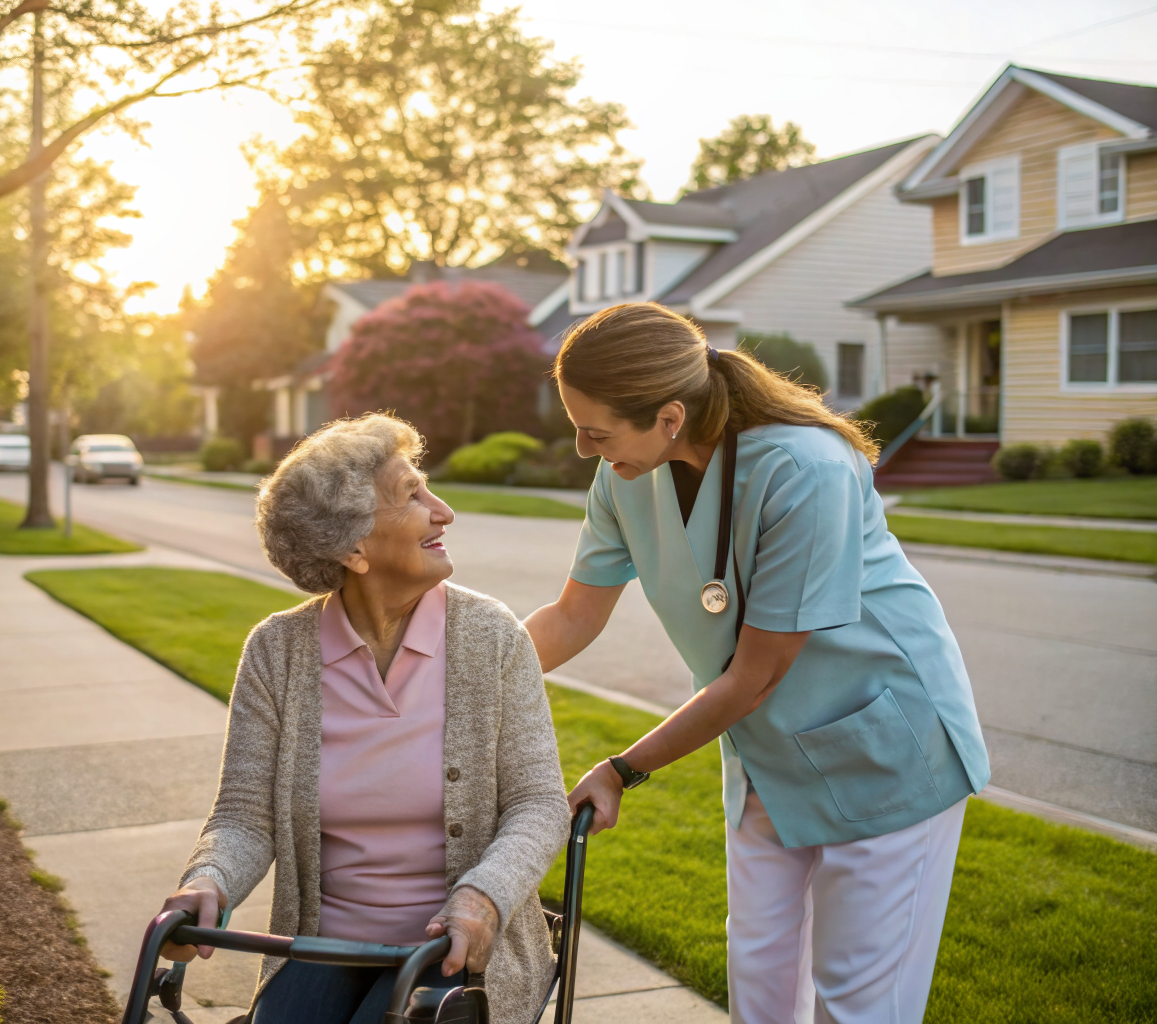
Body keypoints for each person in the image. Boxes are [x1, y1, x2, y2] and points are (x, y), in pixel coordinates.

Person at [524, 304, 989, 1024]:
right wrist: (460, 677)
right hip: (766, 758)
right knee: (760, 993)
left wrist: (621, 770)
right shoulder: (625, 476)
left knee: (859, 1005)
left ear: (669, 415)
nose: (584, 449)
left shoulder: (805, 469)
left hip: (883, 750)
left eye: (597, 431)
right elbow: (571, 618)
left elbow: (756, 674)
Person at [158, 413, 569, 1024]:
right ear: (353, 549)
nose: (444, 510)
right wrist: (208, 883)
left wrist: (484, 897)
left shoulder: (492, 637)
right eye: (412, 496)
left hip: (453, 951)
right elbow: (245, 816)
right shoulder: (277, 652)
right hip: (321, 943)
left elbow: (540, 803)